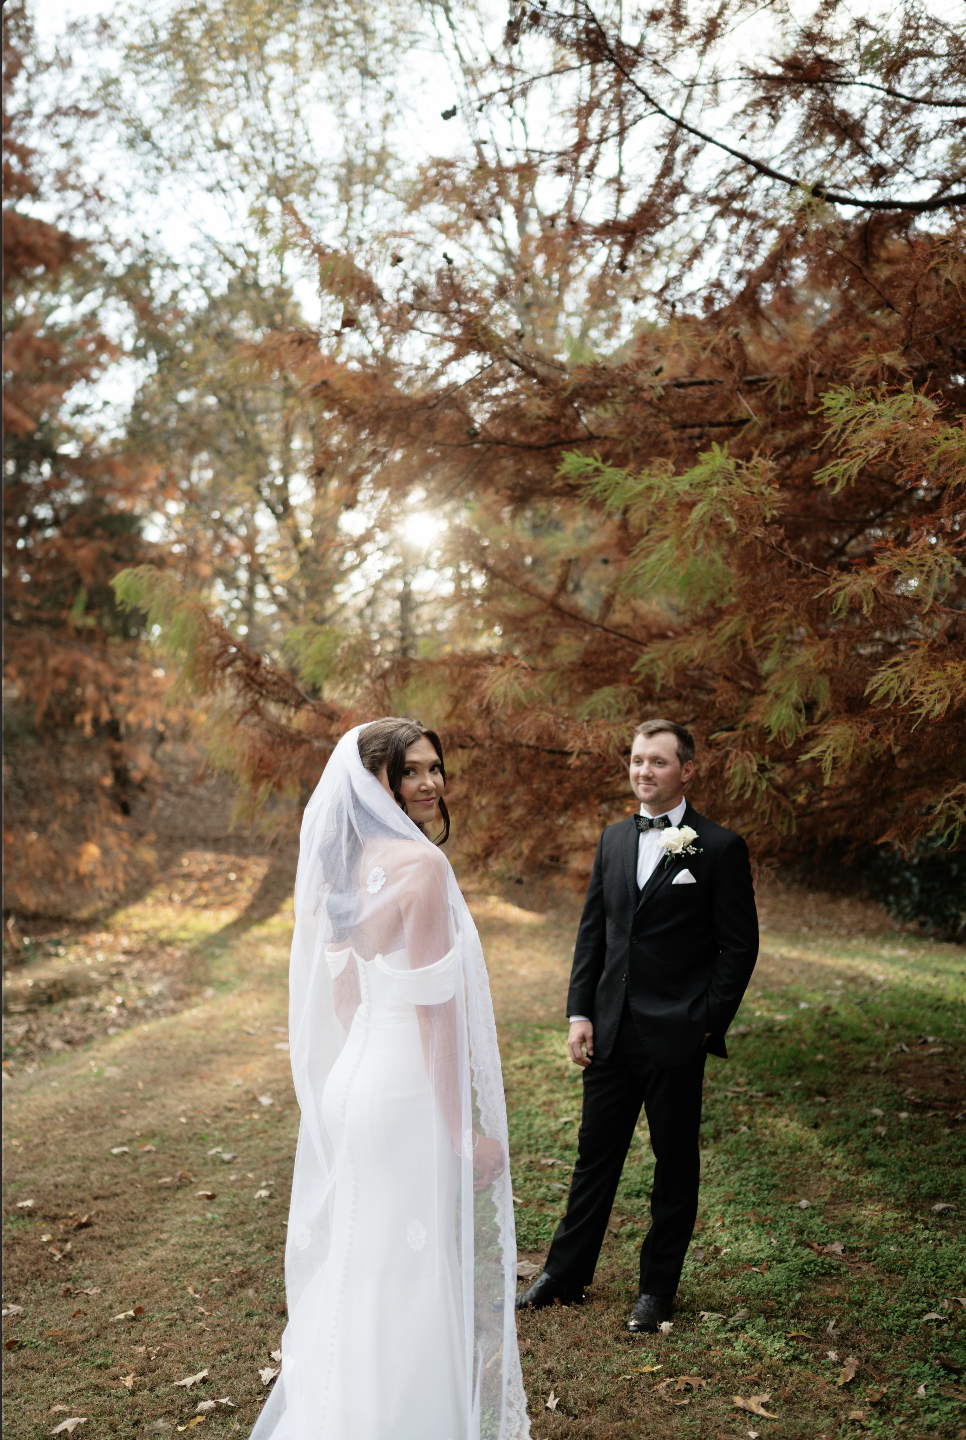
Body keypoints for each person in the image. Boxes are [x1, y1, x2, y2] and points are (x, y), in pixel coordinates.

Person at [251, 718, 530, 1440]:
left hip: (356, 1082)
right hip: (402, 1090)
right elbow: (437, 1018)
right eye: (411, 771)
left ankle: (345, 1414)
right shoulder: (423, 869)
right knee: (411, 1266)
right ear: (378, 779)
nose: (431, 783)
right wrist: (459, 1131)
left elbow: (346, 995)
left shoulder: (346, 863)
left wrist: (362, 1075)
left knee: (362, 1256)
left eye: (436, 768)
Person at [516, 719, 758, 1334]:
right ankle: (565, 1275)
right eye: (635, 760)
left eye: (657, 761)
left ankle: (657, 1288)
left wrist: (706, 1023)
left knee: (673, 1164)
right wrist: (579, 1012)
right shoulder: (615, 840)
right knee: (594, 1157)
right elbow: (593, 933)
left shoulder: (718, 848)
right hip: (611, 1030)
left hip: (677, 1035)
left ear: (687, 770)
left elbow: (739, 947)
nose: (643, 772)